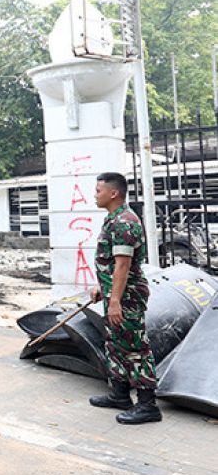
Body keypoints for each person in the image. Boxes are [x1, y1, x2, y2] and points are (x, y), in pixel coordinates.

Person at [88, 171, 161, 424]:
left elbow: (123, 265)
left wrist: (116, 300)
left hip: (127, 297)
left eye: (98, 191)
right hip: (115, 293)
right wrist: (103, 287)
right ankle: (119, 394)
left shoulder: (125, 222)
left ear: (113, 193)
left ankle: (148, 405)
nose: (95, 195)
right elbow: (110, 263)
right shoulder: (113, 219)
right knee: (116, 343)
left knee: (135, 348)